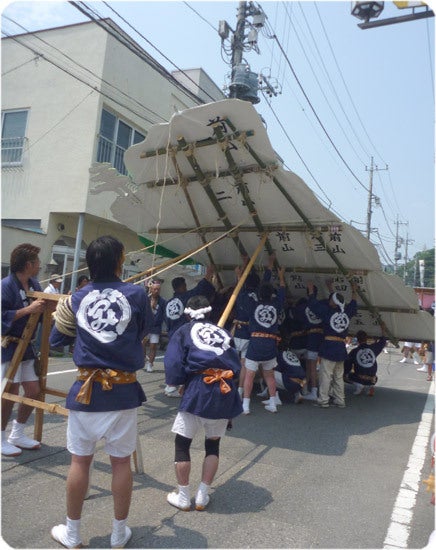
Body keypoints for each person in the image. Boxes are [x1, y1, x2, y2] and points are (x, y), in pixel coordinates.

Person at [49, 235, 152, 549]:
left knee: (80, 462)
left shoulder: (76, 298)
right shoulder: (137, 294)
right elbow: (145, 332)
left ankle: (73, 534)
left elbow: (55, 340)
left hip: (85, 392)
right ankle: (118, 535)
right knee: (120, 463)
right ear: (120, 261)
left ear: (89, 264)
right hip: (122, 392)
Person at [164, 295, 242, 511]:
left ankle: (183, 496)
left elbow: (173, 362)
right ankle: (202, 495)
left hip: (198, 389)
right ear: (209, 313)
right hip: (224, 390)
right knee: (213, 445)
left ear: (188, 314)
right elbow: (235, 364)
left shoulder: (183, 331)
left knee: (182, 444)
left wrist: (178, 382)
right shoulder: (224, 333)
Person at [1, 243, 47, 457]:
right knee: (9, 393)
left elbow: (40, 311)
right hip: (9, 345)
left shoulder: (34, 284)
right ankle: (0, 437)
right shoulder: (5, 286)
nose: (39, 265)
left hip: (26, 345)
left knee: (33, 390)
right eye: (37, 262)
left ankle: (17, 433)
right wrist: (28, 309)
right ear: (28, 264)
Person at [164, 266, 215, 397]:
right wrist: (209, 272)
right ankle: (175, 386)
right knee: (184, 360)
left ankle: (171, 385)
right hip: (183, 334)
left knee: (174, 359)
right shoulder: (186, 297)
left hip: (172, 334)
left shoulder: (169, 302)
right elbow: (200, 289)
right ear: (182, 286)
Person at [307, 280, 357, 408]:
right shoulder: (346, 313)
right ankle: (340, 400)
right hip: (341, 348)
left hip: (329, 347)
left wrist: (311, 290)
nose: (329, 301)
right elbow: (353, 303)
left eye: (331, 300)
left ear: (334, 303)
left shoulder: (328, 313)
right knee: (338, 376)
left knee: (326, 375)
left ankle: (323, 400)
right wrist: (354, 289)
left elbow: (313, 305)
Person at [242, 267, 286, 415]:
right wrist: (281, 277)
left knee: (249, 375)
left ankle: (245, 406)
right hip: (270, 345)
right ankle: (273, 403)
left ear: (258, 294)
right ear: (271, 294)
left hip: (255, 344)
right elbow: (282, 294)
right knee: (269, 375)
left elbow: (242, 294)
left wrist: (239, 277)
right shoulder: (276, 305)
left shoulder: (252, 305)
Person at [233, 254, 274, 398]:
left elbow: (239, 283)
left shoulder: (241, 293)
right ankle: (239, 390)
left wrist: (241, 271)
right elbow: (266, 280)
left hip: (236, 332)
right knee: (245, 364)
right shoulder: (259, 295)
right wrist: (270, 264)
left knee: (231, 359)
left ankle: (225, 384)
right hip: (248, 333)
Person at [344, 328, 387, 397]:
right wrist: (383, 328)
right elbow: (383, 341)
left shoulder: (354, 351)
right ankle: (370, 385)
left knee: (346, 375)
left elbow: (347, 366)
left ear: (357, 340)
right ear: (367, 339)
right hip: (373, 379)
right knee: (373, 375)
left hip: (359, 378)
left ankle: (359, 385)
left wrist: (345, 372)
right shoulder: (373, 348)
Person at [143, 279, 166, 372]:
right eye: (155, 289)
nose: (156, 291)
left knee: (153, 346)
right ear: (151, 290)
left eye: (158, 289)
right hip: (145, 326)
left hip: (156, 327)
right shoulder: (146, 299)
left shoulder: (163, 301)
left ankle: (150, 364)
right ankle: (143, 358)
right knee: (142, 344)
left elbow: (165, 315)